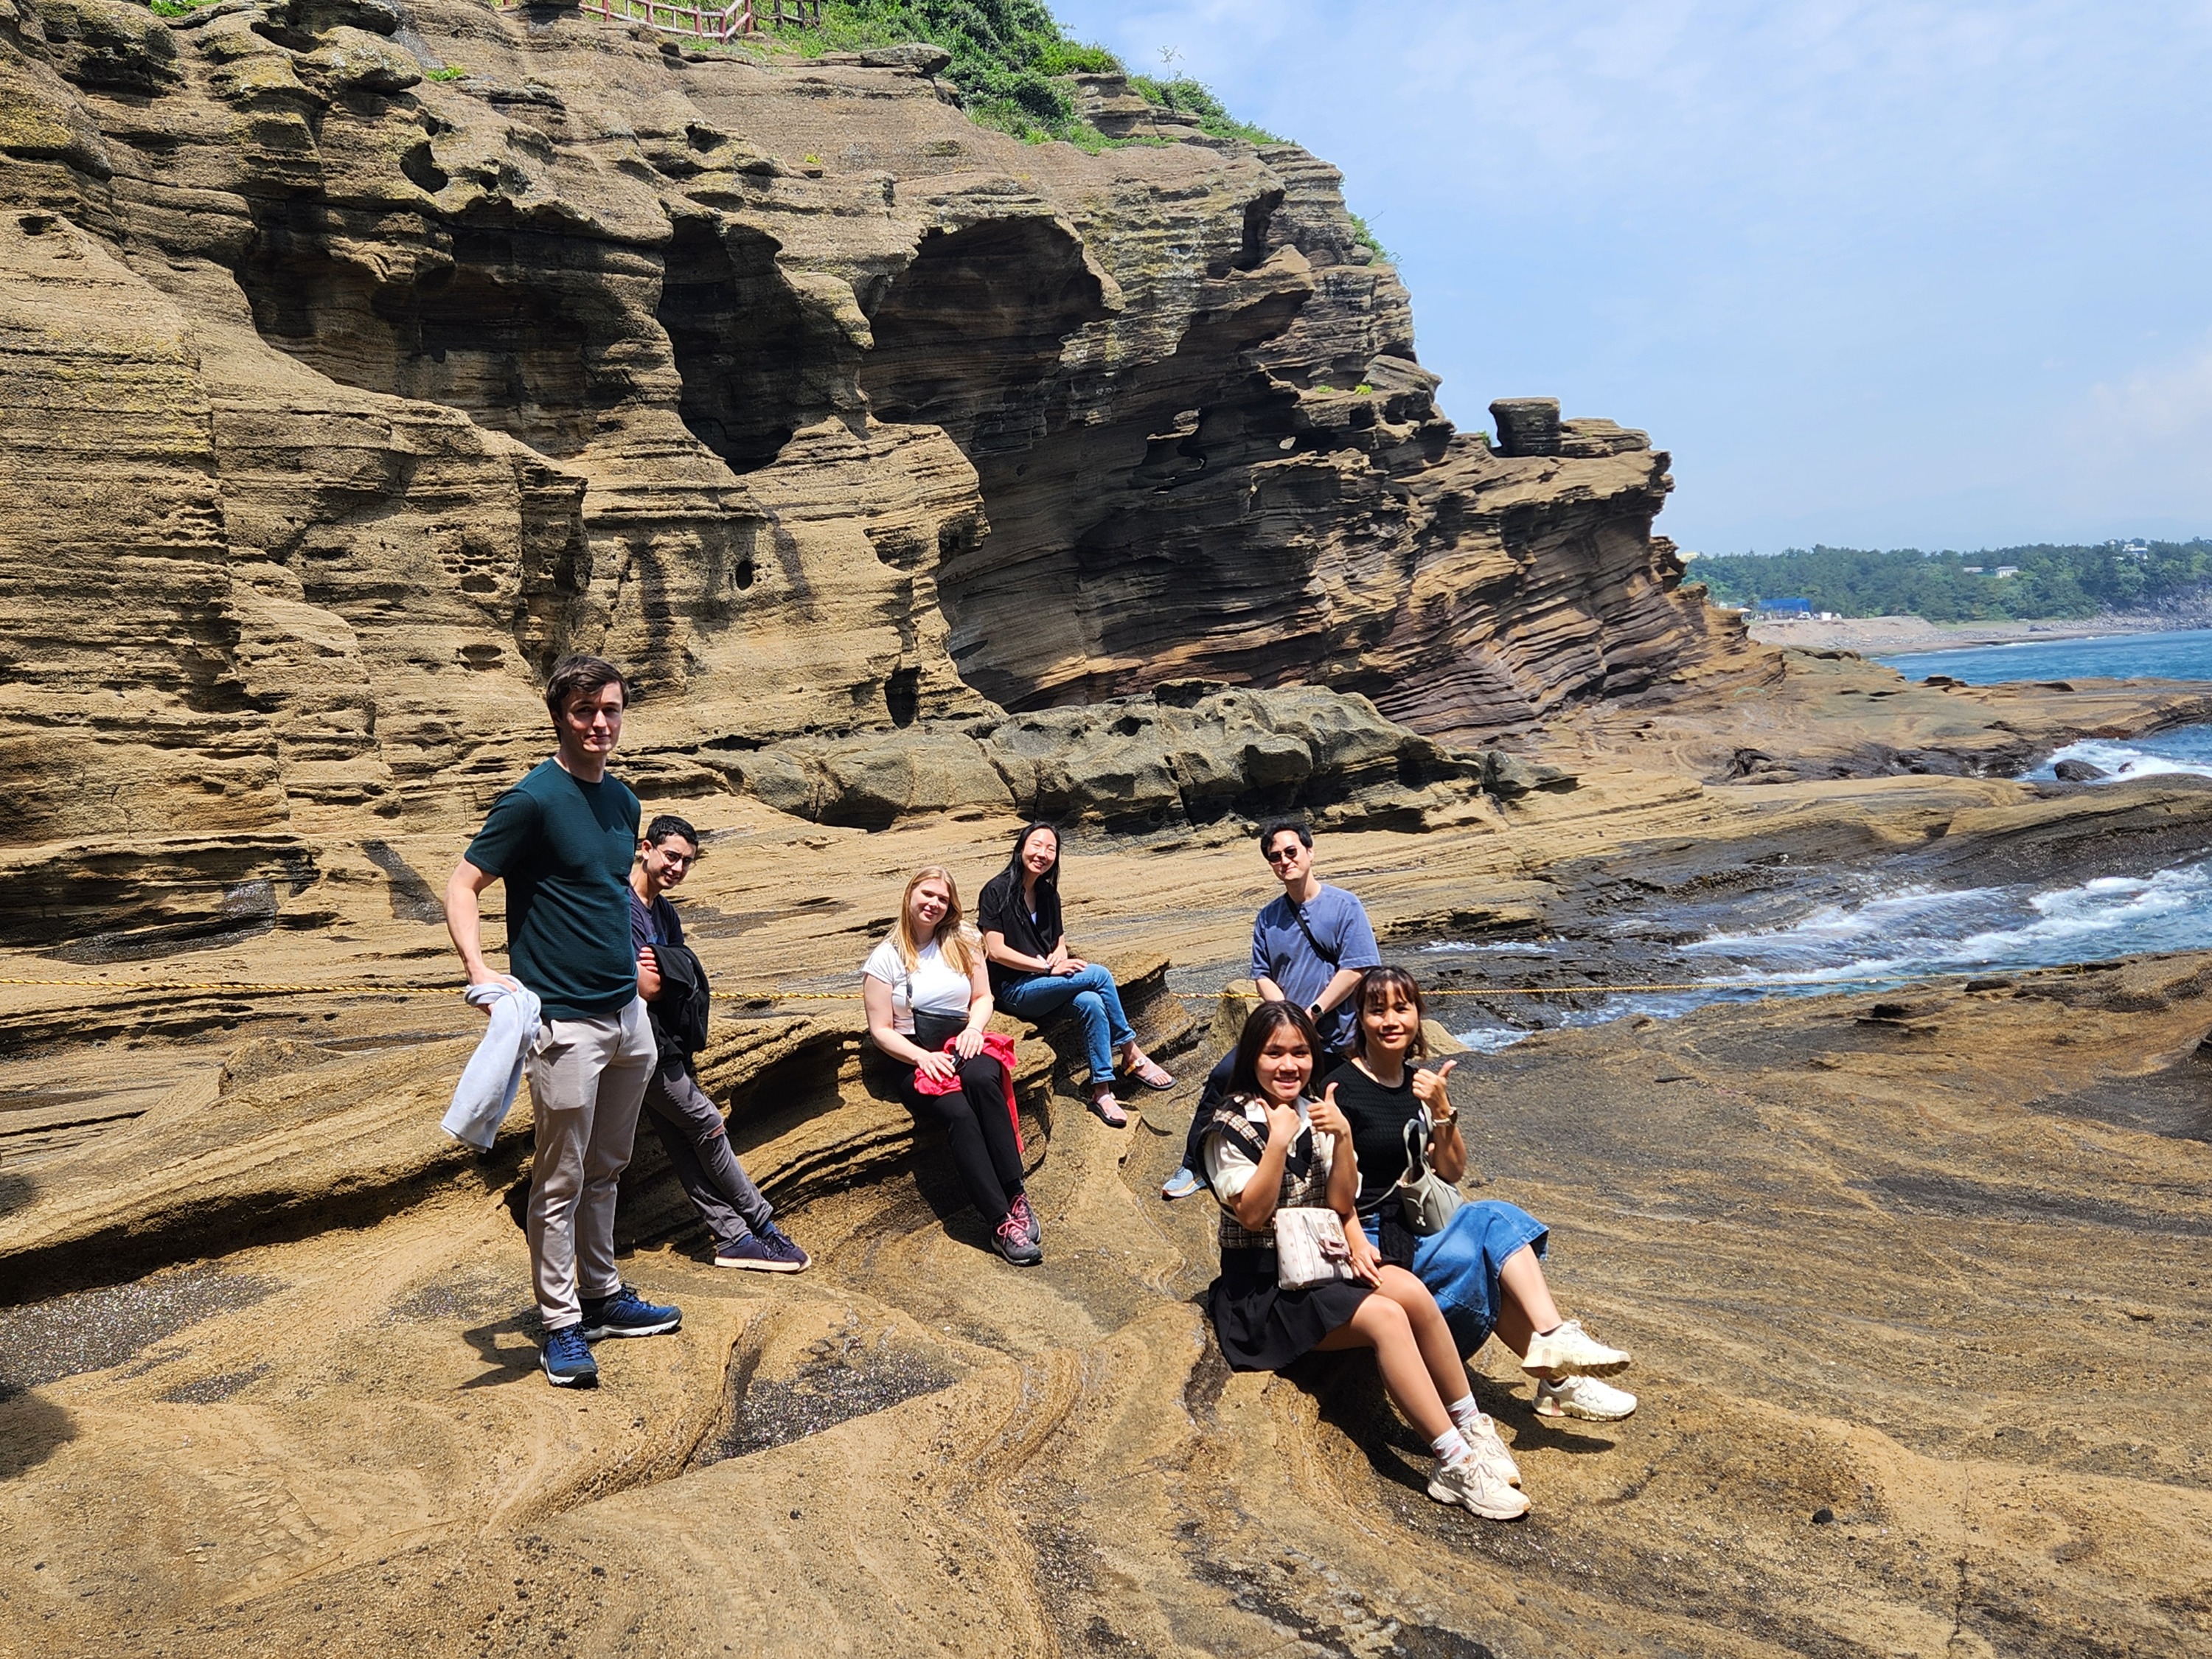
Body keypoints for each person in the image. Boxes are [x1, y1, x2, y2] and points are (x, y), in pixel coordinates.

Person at [442, 654, 682, 1389]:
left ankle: (602, 1296)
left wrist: (639, 967)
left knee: (607, 1169)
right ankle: (560, 1325)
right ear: (559, 716)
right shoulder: (532, 801)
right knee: (561, 1179)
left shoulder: (625, 803)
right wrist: (480, 972)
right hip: (565, 1025)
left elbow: (611, 892)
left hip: (625, 1017)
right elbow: (462, 884)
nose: (600, 724)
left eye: (610, 710)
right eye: (585, 711)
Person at [1197, 1002, 1528, 1520]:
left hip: (1315, 1269)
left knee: (1410, 1291)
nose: (1289, 1065)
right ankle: (1454, 1463)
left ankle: (1471, 1427)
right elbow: (1255, 1214)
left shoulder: (1317, 1108)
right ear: (1251, 1058)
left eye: (1301, 1052)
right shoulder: (1229, 1123)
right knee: (1386, 1315)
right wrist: (1279, 1141)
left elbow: (1341, 1202)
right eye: (1274, 1053)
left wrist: (1344, 1137)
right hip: (1261, 1294)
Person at [1334, 965, 1635, 1422]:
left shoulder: (1419, 1085)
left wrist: (1442, 1109)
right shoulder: (1342, 1085)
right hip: (1369, 1236)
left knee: (1493, 1245)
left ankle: (1557, 1380)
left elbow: (1450, 1170)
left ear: (1418, 1016)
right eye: (1377, 1010)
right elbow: (1324, 1180)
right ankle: (1556, 1358)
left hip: (1414, 1222)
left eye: (1402, 1007)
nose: (1390, 1020)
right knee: (1492, 1223)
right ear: (1360, 1018)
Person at [1162, 820, 1381, 1199]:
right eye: (1275, 857)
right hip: (1283, 1033)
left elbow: (1357, 968)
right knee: (1223, 1078)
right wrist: (1285, 1016)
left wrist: (1311, 1012)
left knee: (1347, 1103)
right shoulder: (1268, 917)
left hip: (1334, 1037)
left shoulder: (1345, 906)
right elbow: (1262, 975)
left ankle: (1360, 1180)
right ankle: (1194, 1165)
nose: (1284, 861)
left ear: (1310, 853)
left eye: (1291, 852)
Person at [629, 814, 810, 1273]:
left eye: (687, 862)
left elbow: (675, 975)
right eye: (671, 856)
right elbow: (647, 987)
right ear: (645, 848)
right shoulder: (619, 905)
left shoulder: (665, 912)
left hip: (668, 1041)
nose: (678, 868)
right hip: (636, 1046)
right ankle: (763, 1225)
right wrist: (674, 969)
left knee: (683, 1140)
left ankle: (733, 1239)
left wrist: (673, 968)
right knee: (707, 1124)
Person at [862, 867, 1042, 1267]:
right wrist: (923, 1058)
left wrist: (975, 1030)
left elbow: (983, 997)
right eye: (927, 894)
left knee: (982, 1079)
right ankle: (999, 1221)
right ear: (910, 895)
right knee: (958, 1112)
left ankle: (1016, 1193)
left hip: (962, 1039)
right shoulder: (885, 959)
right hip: (914, 1053)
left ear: (951, 905)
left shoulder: (965, 941)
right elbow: (881, 1031)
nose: (933, 904)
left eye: (942, 899)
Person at [977, 822, 1175, 1127]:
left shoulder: (1047, 894)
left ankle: (1102, 1091)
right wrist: (1046, 966)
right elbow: (996, 950)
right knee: (1098, 975)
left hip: (1045, 985)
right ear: (1020, 848)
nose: (1042, 854)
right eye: (1036, 845)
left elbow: (1059, 940)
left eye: (1050, 849)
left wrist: (1059, 953)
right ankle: (1131, 1051)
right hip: (1015, 990)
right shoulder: (996, 890)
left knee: (1092, 1003)